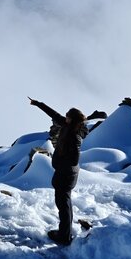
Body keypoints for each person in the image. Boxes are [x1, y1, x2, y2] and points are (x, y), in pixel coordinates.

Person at [29, 98, 87, 246]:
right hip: (64, 173)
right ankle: (64, 233)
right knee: (64, 204)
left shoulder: (75, 137)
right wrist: (39, 104)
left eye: (67, 115)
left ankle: (64, 236)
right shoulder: (68, 126)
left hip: (66, 175)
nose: (65, 116)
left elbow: (74, 159)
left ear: (72, 119)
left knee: (64, 205)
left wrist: (61, 163)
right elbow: (54, 114)